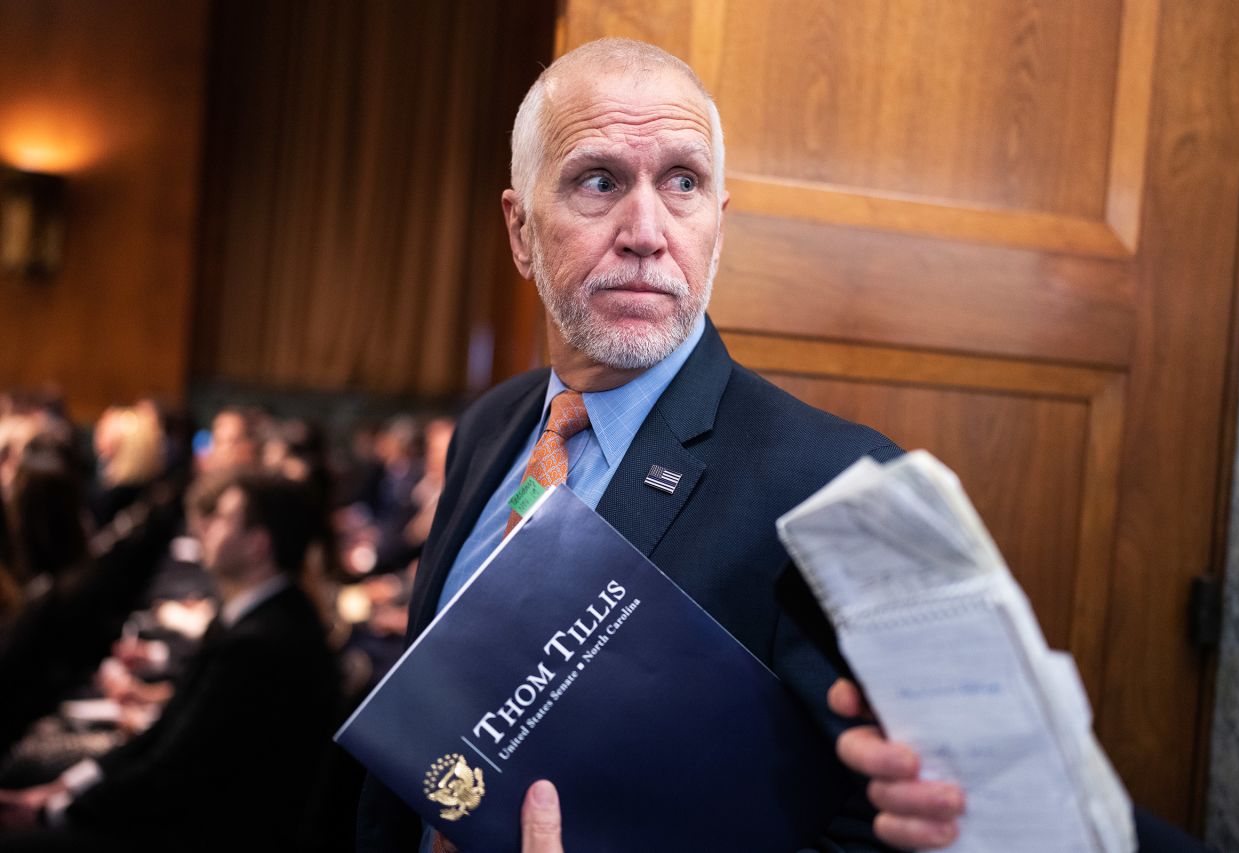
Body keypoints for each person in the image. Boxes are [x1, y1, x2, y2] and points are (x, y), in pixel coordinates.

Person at [356, 37, 901, 852]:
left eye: (683, 182)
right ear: (520, 230)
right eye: (599, 181)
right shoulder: (490, 427)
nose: (646, 231)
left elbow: (885, 830)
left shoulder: (837, 485)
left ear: (717, 223)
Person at [0, 472, 342, 853]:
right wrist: (65, 786)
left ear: (257, 545)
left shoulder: (260, 642)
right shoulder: (259, 616)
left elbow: (173, 771)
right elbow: (166, 733)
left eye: (224, 518)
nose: (207, 527)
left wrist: (52, 811)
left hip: (205, 833)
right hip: (186, 810)